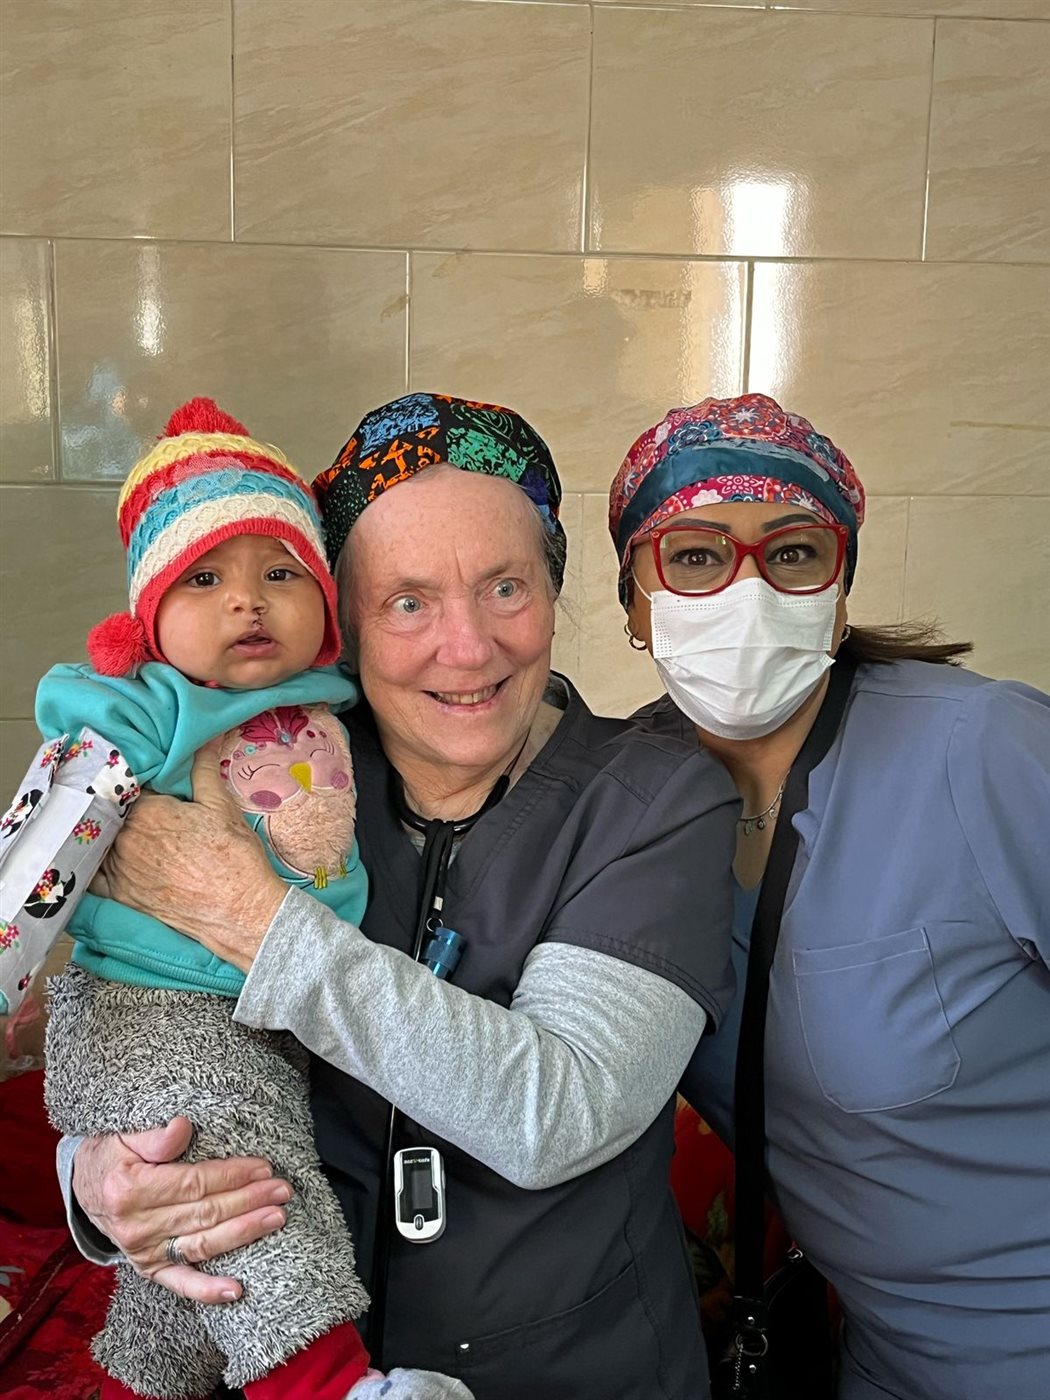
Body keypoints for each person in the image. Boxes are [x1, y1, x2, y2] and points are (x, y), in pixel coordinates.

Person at [58, 392, 740, 1400]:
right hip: (293, 1357)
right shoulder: (281, 771)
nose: (467, 648)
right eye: (408, 602)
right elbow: (155, 1019)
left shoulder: (655, 798)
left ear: (554, 592)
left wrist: (256, 920)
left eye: (505, 587)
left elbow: (560, 1111)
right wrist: (94, 1174)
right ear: (341, 626)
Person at [608, 392, 1050, 1400]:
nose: (747, 593)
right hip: (878, 1358)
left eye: (794, 553)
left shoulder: (985, 749)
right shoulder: (628, 794)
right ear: (634, 599)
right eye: (696, 555)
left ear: (840, 590)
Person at [29, 398, 467, 1400]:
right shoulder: (150, 706)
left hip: (266, 1004)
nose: (248, 603)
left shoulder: (341, 700)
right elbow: (42, 831)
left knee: (182, 1242)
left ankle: (149, 1375)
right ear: (146, 619)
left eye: (280, 573)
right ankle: (325, 1383)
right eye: (205, 578)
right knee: (251, 1190)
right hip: (152, 1007)